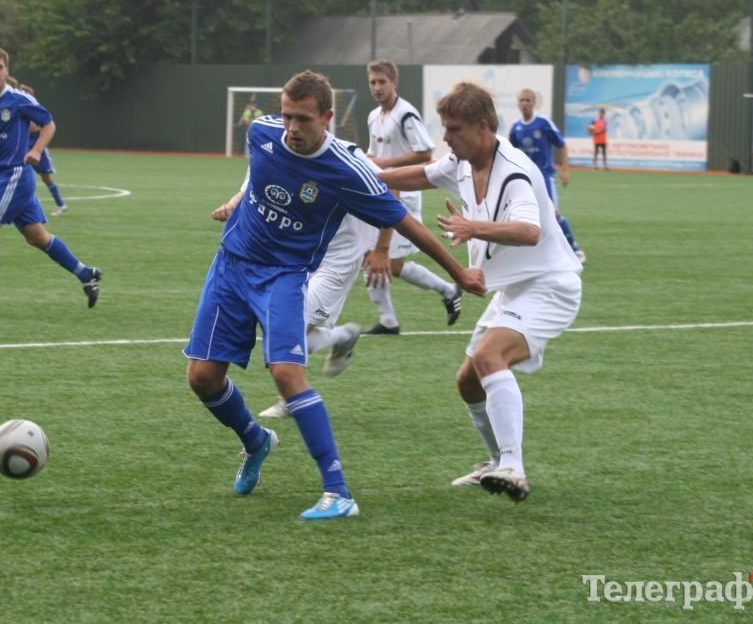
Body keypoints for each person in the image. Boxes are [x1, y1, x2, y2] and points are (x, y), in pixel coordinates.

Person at [184, 70, 484, 519]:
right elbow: (256, 175)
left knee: (287, 374)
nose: (291, 128)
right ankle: (255, 440)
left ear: (327, 117)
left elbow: (404, 221)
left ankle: (338, 492)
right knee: (202, 378)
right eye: (287, 116)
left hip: (285, 276)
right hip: (230, 266)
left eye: (303, 119)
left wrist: (458, 271)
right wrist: (235, 202)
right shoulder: (263, 132)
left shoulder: (347, 170)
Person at [377, 81, 582, 503]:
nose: (446, 138)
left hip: (550, 286)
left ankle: (514, 468)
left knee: (490, 357)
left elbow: (529, 231)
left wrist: (474, 227)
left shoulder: (515, 170)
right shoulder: (462, 161)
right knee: (468, 382)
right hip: (513, 291)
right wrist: (372, 178)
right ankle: (495, 464)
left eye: (453, 129)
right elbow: (423, 174)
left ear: (483, 126)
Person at [212, 182, 377, 420]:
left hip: (337, 261)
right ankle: (343, 337)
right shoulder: (276, 152)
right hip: (295, 254)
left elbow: (388, 193)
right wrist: (230, 205)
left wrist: (379, 248)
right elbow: (253, 184)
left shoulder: (349, 161)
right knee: (282, 328)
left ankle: (290, 398)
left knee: (291, 329)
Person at [0, 47, 101, 311]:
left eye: (0, 67)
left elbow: (49, 124)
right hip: (4, 176)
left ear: (7, 70)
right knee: (37, 237)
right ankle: (85, 274)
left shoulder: (19, 99)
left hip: (15, 176)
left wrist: (35, 151)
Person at [362, 59, 463, 336]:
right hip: (381, 191)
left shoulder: (406, 114)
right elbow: (376, 155)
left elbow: (425, 153)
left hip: (403, 194)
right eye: (373, 82)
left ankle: (396, 317)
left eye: (383, 81)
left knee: (377, 257)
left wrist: (384, 162)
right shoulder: (374, 116)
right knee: (379, 260)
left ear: (395, 83)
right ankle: (391, 320)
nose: (378, 87)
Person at [509, 89, 586, 263]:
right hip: (525, 178)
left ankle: (575, 249)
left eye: (528, 100)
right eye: (522, 100)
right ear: (518, 103)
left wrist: (564, 170)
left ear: (534, 102)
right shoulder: (516, 127)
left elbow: (562, 145)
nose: (525, 104)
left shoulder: (543, 123)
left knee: (552, 214)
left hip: (544, 176)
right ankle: (535, 253)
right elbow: (512, 153)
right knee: (523, 213)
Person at [18, 83, 68, 216]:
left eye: (23, 92)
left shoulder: (35, 109)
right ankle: (22, 206)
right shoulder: (19, 108)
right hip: (24, 149)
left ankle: (60, 204)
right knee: (19, 175)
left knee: (46, 178)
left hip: (37, 149)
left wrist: (31, 127)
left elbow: (43, 126)